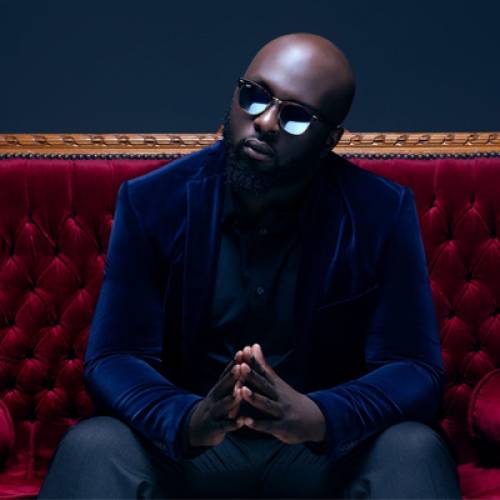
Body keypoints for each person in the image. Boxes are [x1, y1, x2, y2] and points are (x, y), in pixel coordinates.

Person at [38, 32, 462, 499]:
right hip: (191, 454)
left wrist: (318, 417)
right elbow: (114, 357)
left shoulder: (381, 211)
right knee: (93, 445)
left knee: (413, 448)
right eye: (255, 96)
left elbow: (414, 367)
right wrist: (189, 419)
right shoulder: (152, 201)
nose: (265, 121)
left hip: (321, 457)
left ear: (330, 139)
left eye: (296, 116)